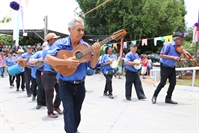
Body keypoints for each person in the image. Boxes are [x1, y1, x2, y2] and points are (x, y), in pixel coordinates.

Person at [44, 17, 101, 133]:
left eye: (82, 30)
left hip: (80, 85)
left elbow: (93, 66)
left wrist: (96, 53)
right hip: (65, 85)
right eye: (78, 30)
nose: (81, 33)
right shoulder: (61, 43)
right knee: (69, 110)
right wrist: (66, 62)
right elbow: (47, 59)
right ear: (70, 30)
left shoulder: (85, 46)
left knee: (76, 112)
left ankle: (73, 130)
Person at [151, 32, 188, 104]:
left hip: (172, 67)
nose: (182, 42)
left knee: (173, 83)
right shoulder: (168, 45)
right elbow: (161, 55)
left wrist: (182, 60)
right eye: (181, 40)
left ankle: (168, 98)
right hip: (165, 66)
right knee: (162, 83)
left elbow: (177, 59)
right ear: (176, 39)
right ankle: (154, 96)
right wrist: (173, 57)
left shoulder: (180, 48)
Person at [41, 33, 62, 118]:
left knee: (60, 91)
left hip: (56, 73)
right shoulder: (47, 50)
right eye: (54, 39)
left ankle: (56, 106)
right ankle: (50, 111)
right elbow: (50, 62)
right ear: (50, 40)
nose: (56, 40)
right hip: (49, 74)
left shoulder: (55, 48)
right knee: (49, 94)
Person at [29, 42, 47, 109]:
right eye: (43, 46)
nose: (44, 47)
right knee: (40, 87)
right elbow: (31, 61)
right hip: (39, 72)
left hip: (48, 72)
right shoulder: (39, 53)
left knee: (46, 88)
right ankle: (39, 102)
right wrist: (39, 59)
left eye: (45, 46)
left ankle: (45, 102)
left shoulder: (51, 53)